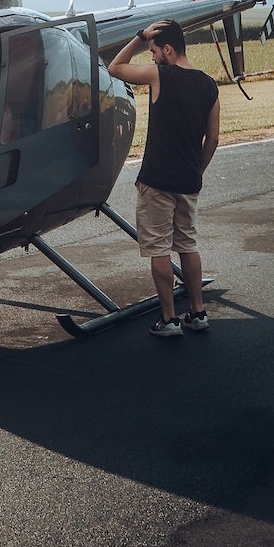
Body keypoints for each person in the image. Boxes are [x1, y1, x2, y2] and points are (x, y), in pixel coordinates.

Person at [108, 18, 220, 336]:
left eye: (154, 51)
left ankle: (169, 319)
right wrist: (196, 170)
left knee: (159, 248)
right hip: (188, 180)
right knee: (187, 244)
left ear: (167, 49)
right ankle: (197, 312)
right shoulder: (209, 84)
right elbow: (212, 139)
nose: (152, 56)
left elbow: (116, 67)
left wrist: (140, 37)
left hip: (157, 179)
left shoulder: (160, 75)